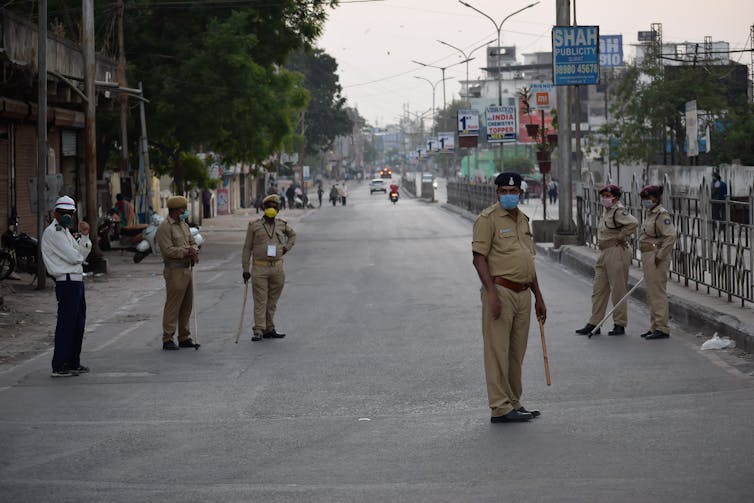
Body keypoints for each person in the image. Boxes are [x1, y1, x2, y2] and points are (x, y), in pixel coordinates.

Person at [472, 172, 547, 423]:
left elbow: (529, 260)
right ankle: (499, 406)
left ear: (520, 194)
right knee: (497, 351)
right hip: (501, 291)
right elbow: (478, 258)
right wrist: (492, 293)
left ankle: (514, 402)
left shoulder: (524, 220)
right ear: (497, 193)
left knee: (516, 353)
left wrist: (538, 296)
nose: (508, 195)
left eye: (513, 192)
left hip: (524, 293)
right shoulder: (487, 219)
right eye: (503, 191)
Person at [575, 185, 638, 336]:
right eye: (603, 195)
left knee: (618, 289)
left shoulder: (618, 210)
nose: (604, 198)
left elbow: (633, 223)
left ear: (615, 197)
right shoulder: (607, 211)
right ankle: (594, 323)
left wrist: (621, 236)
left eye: (607, 195)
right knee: (598, 290)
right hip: (604, 251)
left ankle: (619, 324)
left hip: (616, 251)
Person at [41, 196, 92, 377]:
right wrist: (80, 252)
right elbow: (76, 257)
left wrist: (85, 236)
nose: (66, 216)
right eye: (62, 213)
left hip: (76, 281)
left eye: (69, 213)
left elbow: (82, 253)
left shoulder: (66, 232)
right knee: (66, 325)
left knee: (78, 324)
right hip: (67, 281)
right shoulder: (53, 232)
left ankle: (72, 362)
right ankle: (60, 365)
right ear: (55, 213)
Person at [241, 194, 296, 341]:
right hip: (260, 268)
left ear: (278, 209)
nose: (272, 209)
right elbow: (247, 248)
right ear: (263, 208)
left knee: (272, 301)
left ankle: (269, 328)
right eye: (269, 206)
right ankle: (259, 329)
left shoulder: (282, 224)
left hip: (277, 268)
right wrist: (245, 269)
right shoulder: (254, 226)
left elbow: (293, 236)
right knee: (260, 300)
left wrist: (286, 248)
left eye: (275, 207)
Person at [155, 195, 200, 350]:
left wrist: (194, 251)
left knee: (187, 305)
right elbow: (168, 250)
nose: (185, 212)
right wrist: (187, 251)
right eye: (183, 209)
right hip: (174, 270)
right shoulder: (164, 227)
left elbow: (193, 242)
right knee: (173, 305)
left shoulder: (184, 225)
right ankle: (168, 337)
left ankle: (184, 336)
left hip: (187, 269)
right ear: (175, 210)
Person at [638, 185, 677, 340]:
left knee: (657, 293)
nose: (646, 201)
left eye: (648, 198)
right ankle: (654, 326)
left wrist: (660, 255)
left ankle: (662, 328)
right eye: (644, 199)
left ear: (656, 198)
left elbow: (671, 236)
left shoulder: (661, 214)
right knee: (651, 293)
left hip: (656, 256)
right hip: (648, 255)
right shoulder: (650, 213)